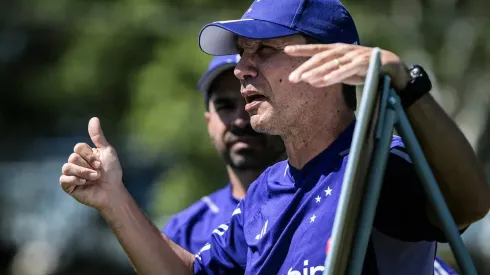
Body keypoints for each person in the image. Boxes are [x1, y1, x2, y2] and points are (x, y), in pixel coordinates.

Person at [59, 0, 490, 274]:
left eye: (264, 51)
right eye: (243, 53)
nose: (242, 69)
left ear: (329, 65)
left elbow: (470, 205)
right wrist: (113, 199)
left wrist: (404, 81)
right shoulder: (267, 188)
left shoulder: (376, 164)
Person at [162, 54, 285, 254]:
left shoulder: (322, 200)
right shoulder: (182, 233)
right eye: (225, 106)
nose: (240, 120)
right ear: (208, 122)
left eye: (253, 100)